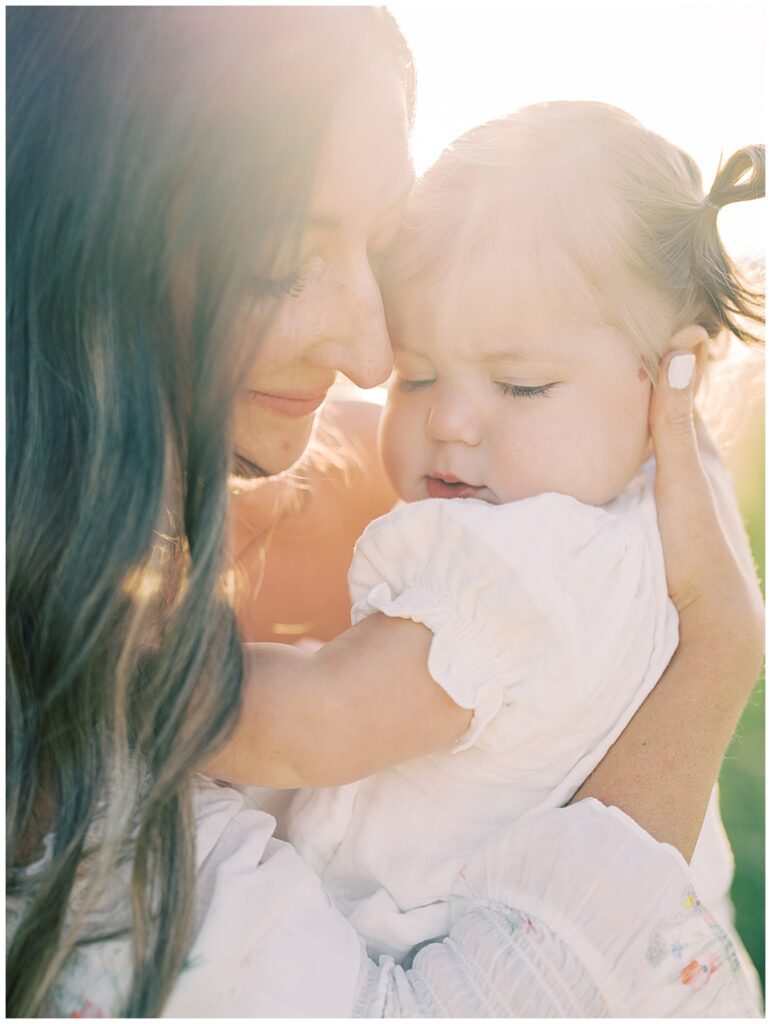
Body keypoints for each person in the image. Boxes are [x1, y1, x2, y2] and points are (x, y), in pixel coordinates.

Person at [6, 7, 763, 1019]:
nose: (376, 361)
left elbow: (317, 717)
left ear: (660, 381)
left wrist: (132, 670)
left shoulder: (530, 562)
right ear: (88, 239)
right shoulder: (631, 550)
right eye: (419, 372)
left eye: (524, 386)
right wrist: (718, 648)